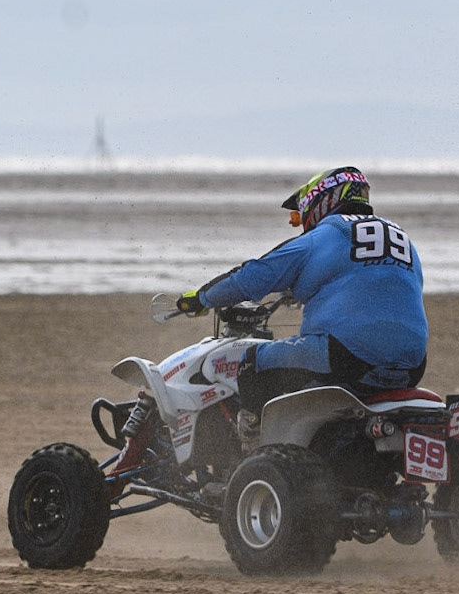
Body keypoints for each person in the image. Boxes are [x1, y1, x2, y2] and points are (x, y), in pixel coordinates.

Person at [175, 166, 428, 423]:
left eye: (298, 214)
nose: (298, 221)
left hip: (346, 356)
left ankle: (254, 448)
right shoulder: (402, 239)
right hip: (412, 365)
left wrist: (202, 298)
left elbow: (253, 276)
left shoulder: (328, 232)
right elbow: (371, 282)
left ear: (320, 200)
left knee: (251, 362)